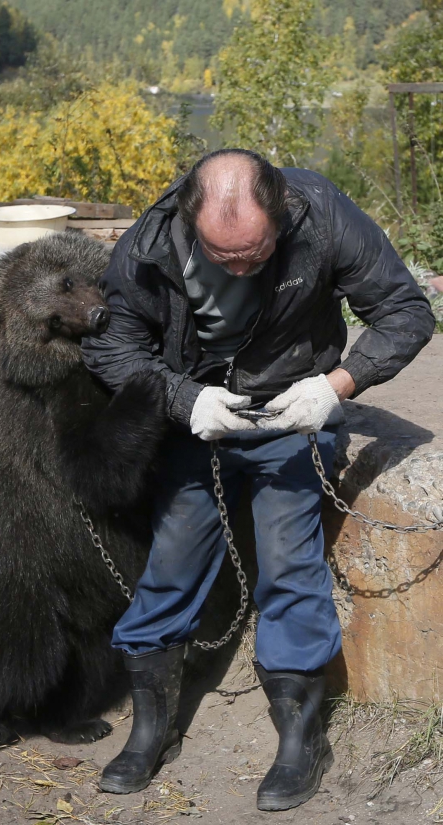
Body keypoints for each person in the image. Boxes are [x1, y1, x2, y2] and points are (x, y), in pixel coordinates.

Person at [81, 149, 435, 812]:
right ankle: (151, 726)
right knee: (171, 562)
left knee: (289, 562)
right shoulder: (151, 239)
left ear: (280, 211)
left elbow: (405, 311)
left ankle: (301, 738)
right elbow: (110, 341)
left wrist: (337, 386)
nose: (241, 266)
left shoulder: (321, 211)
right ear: (192, 221)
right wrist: (183, 399)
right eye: (224, 256)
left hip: (292, 413)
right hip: (200, 420)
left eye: (256, 252)